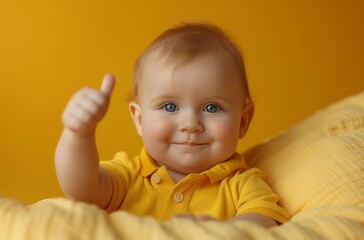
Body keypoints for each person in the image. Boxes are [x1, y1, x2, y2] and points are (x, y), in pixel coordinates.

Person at [55, 23, 289, 227]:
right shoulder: (128, 176)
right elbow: (81, 189)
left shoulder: (242, 184)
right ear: (139, 119)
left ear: (243, 121)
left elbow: (265, 222)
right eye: (169, 107)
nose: (190, 125)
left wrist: (226, 231)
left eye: (211, 108)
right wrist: (78, 135)